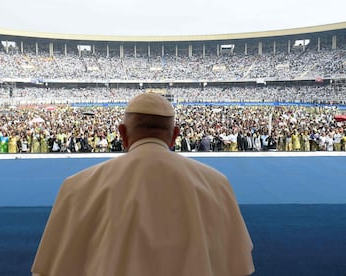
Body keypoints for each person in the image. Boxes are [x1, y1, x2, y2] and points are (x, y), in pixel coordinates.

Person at [31, 93, 254, 276]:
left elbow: (53, 267)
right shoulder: (216, 184)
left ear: (122, 134)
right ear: (175, 135)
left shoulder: (77, 186)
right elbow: (238, 264)